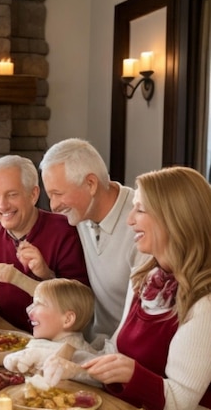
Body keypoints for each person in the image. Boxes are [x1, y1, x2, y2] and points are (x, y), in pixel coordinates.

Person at [79, 166, 211, 409]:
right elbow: (116, 350)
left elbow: (181, 402)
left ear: (173, 218)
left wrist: (132, 374)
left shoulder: (204, 303)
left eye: (140, 210)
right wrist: (66, 358)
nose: (130, 221)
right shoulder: (145, 277)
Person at [0, 155, 89, 332]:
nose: (2, 206)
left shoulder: (65, 230)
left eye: (12, 195)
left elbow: (81, 307)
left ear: (33, 194)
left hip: (52, 341)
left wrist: (47, 275)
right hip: (6, 335)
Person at [40, 138, 149, 343]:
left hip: (129, 351)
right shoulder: (80, 215)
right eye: (49, 196)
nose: (53, 206)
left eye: (58, 194)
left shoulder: (142, 225)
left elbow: (144, 320)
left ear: (90, 184)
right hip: (96, 344)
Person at [3, 278, 101, 387]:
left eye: (39, 303)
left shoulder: (83, 358)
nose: (28, 309)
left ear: (67, 319)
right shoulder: (44, 343)